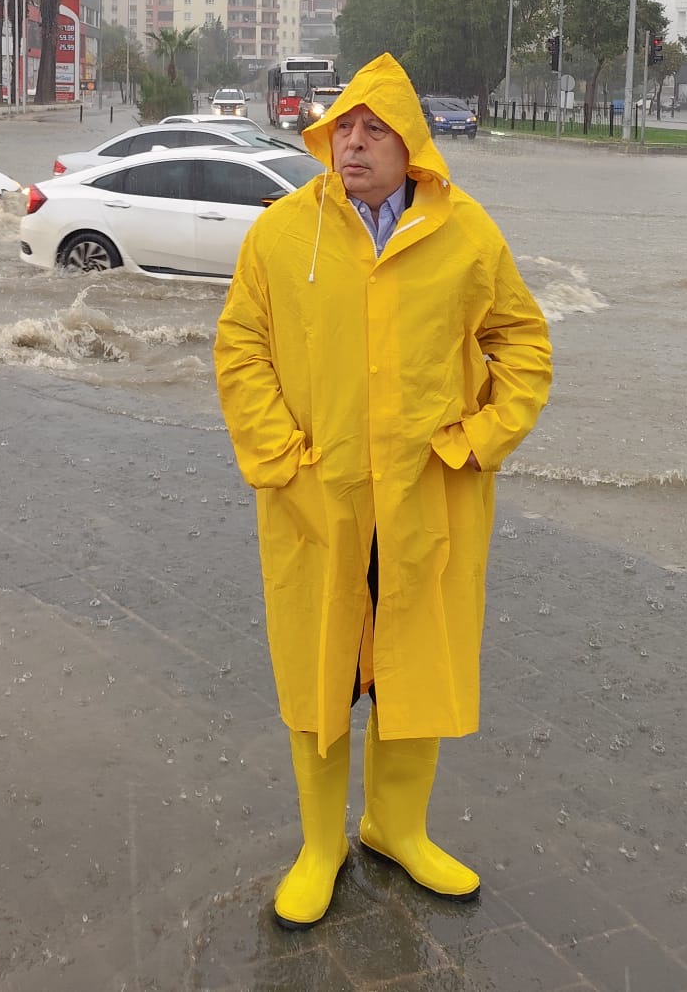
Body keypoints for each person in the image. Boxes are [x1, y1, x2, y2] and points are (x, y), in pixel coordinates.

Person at [214, 53, 553, 929]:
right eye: (341, 131)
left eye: (373, 132)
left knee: (415, 666)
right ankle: (320, 844)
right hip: (314, 498)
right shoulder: (283, 233)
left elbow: (524, 347)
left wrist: (476, 444)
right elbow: (240, 348)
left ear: (413, 149)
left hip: (426, 500)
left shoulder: (467, 234)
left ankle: (398, 828)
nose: (352, 145)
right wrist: (281, 458)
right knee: (320, 669)